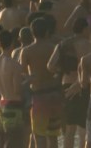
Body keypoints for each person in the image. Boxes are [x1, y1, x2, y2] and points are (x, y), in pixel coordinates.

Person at [47, 17, 91, 148]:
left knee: (69, 130)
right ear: (84, 29)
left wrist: (62, 71)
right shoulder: (86, 44)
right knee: (83, 129)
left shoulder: (62, 44)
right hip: (82, 87)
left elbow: (50, 65)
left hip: (65, 85)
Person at [20, 18, 62, 148]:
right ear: (47, 32)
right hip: (54, 94)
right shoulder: (54, 48)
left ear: (32, 33)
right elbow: (59, 70)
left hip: (38, 96)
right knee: (53, 136)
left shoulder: (26, 51)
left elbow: (23, 76)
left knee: (39, 136)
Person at [0, 30, 24, 148]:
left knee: (2, 141)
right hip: (13, 105)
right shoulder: (15, 65)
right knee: (14, 142)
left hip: (1, 105)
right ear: (13, 43)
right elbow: (17, 90)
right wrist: (27, 81)